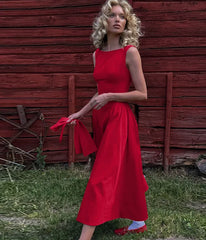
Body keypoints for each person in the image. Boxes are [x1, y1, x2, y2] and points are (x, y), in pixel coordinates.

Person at [67, 0, 148, 239]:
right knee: (123, 170)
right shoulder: (97, 55)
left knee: (102, 175)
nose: (117, 20)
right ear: (104, 21)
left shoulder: (130, 52)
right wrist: (80, 113)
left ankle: (85, 236)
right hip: (100, 118)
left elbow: (142, 94)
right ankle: (138, 220)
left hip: (120, 118)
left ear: (127, 22)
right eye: (112, 15)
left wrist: (112, 96)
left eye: (122, 16)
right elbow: (99, 91)